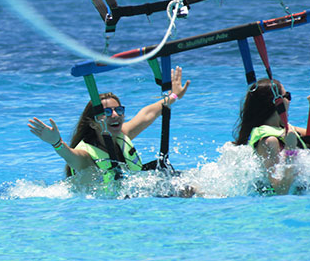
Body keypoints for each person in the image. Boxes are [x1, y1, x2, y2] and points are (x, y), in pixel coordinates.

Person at [28, 66, 190, 188]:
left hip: (130, 194)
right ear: (92, 123)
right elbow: (69, 155)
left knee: (183, 181)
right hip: (100, 205)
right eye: (107, 112)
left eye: (119, 110)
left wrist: (173, 96)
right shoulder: (86, 155)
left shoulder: (122, 134)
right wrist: (56, 142)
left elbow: (148, 114)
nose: (115, 115)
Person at [233, 78, 310, 195]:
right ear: (277, 102)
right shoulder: (269, 140)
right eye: (288, 96)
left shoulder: (283, 129)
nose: (290, 101)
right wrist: (290, 150)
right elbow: (280, 189)